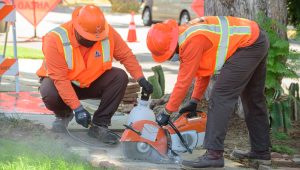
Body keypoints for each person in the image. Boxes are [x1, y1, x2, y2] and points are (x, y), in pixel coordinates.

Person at [146, 16, 270, 168]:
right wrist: (194, 100)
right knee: (253, 98)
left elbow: (183, 82)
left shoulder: (192, 41)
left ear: (172, 47)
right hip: (256, 38)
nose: (172, 58)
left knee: (220, 97)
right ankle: (261, 152)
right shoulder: (187, 34)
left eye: (169, 56)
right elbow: (203, 71)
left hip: (248, 45)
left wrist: (167, 112)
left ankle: (214, 155)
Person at [36, 5, 153, 145]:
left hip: (91, 83)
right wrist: (78, 109)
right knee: (48, 90)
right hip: (63, 86)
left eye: (95, 38)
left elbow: (126, 55)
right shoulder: (55, 39)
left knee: (119, 77)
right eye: (88, 38)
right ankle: (63, 116)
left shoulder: (106, 32)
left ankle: (99, 125)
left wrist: (140, 78)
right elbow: (60, 79)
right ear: (77, 28)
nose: (92, 41)